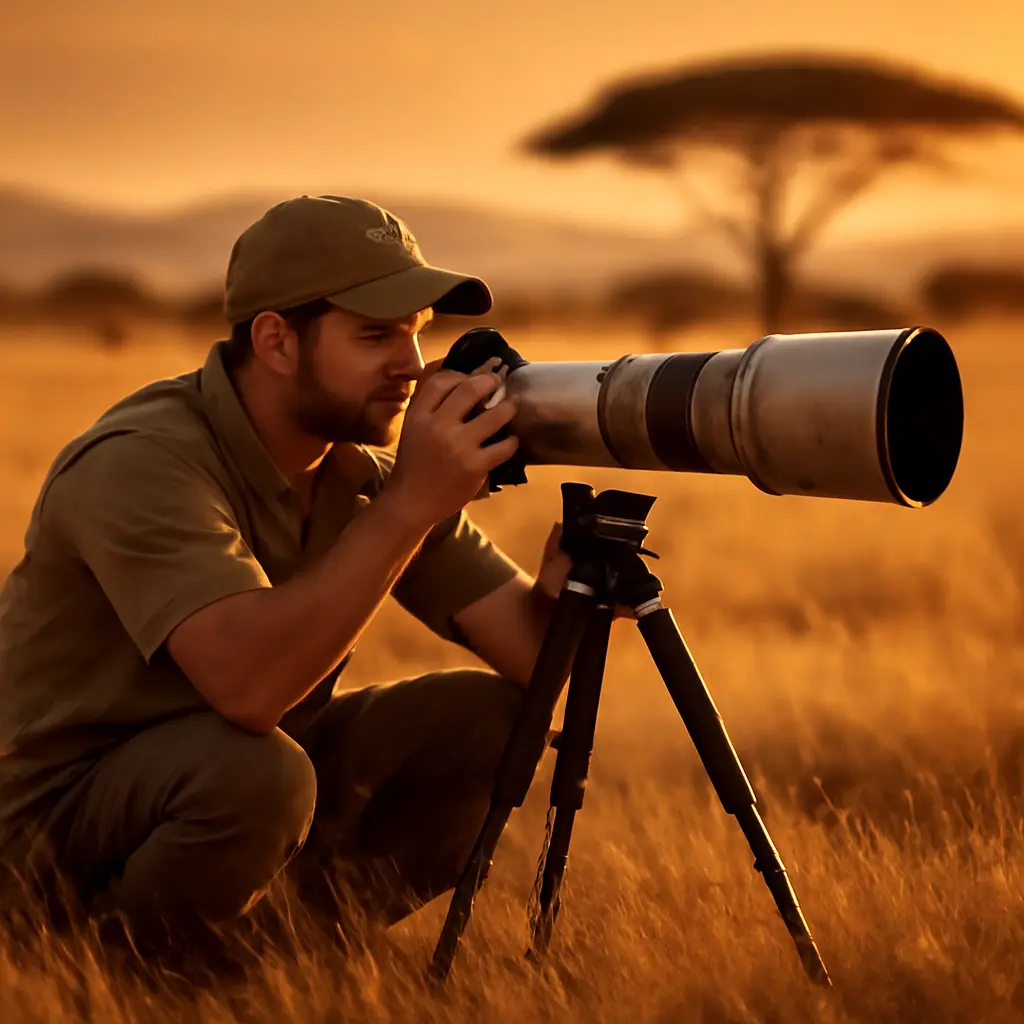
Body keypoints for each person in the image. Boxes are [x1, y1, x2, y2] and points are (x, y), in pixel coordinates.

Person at [0, 195, 574, 966]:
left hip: (201, 790)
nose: (410, 364)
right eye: (375, 335)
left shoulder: (358, 474)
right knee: (256, 774)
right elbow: (248, 689)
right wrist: (408, 507)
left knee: (495, 724)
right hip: (40, 823)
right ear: (275, 341)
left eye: (415, 333)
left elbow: (537, 665)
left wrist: (569, 596)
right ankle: (108, 981)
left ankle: (274, 968)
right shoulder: (143, 460)